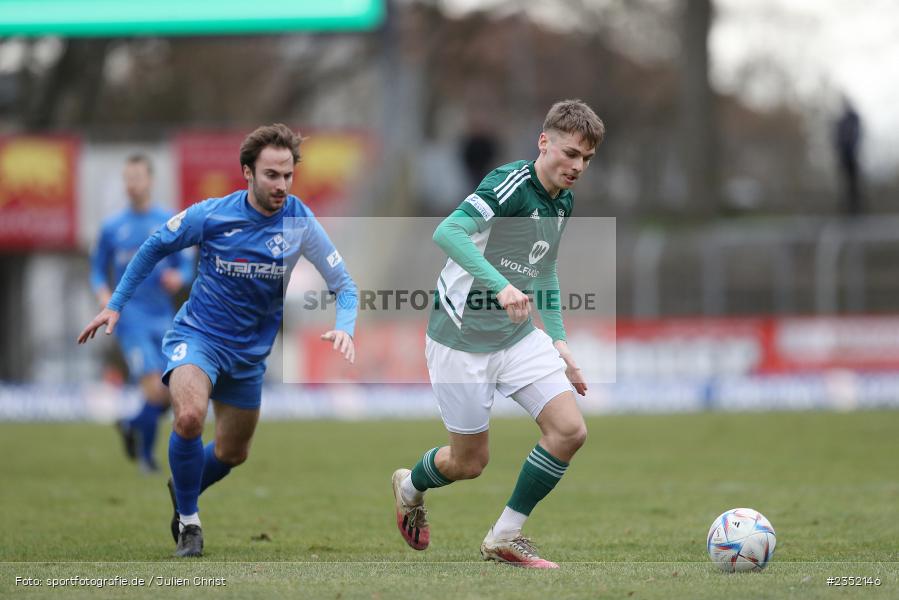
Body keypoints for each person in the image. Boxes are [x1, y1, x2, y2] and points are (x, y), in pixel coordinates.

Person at [78, 124, 358, 558]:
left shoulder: (301, 222)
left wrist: (346, 324)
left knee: (232, 452)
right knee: (189, 418)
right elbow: (153, 246)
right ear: (247, 172)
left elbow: (345, 284)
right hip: (199, 337)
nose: (281, 185)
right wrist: (116, 304)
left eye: (287, 175)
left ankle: (183, 484)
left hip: (249, 357)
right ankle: (189, 522)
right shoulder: (212, 215)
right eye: (271, 175)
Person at [392, 99, 604, 568]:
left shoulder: (562, 202)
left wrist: (560, 342)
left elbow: (544, 269)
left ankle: (505, 536)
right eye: (570, 153)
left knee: (569, 430)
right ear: (543, 141)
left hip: (516, 336)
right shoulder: (509, 185)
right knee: (468, 463)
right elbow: (448, 232)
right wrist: (503, 287)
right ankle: (410, 486)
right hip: (460, 337)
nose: (577, 166)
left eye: (586, 159)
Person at [89, 154, 194, 473]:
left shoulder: (167, 220)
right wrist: (105, 295)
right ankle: (147, 460)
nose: (132, 184)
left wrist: (180, 277)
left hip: (163, 318)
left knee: (170, 393)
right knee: (154, 388)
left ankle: (131, 423)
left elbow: (187, 263)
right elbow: (96, 271)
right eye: (127, 178)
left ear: (150, 181)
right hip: (130, 318)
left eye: (137, 177)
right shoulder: (112, 228)